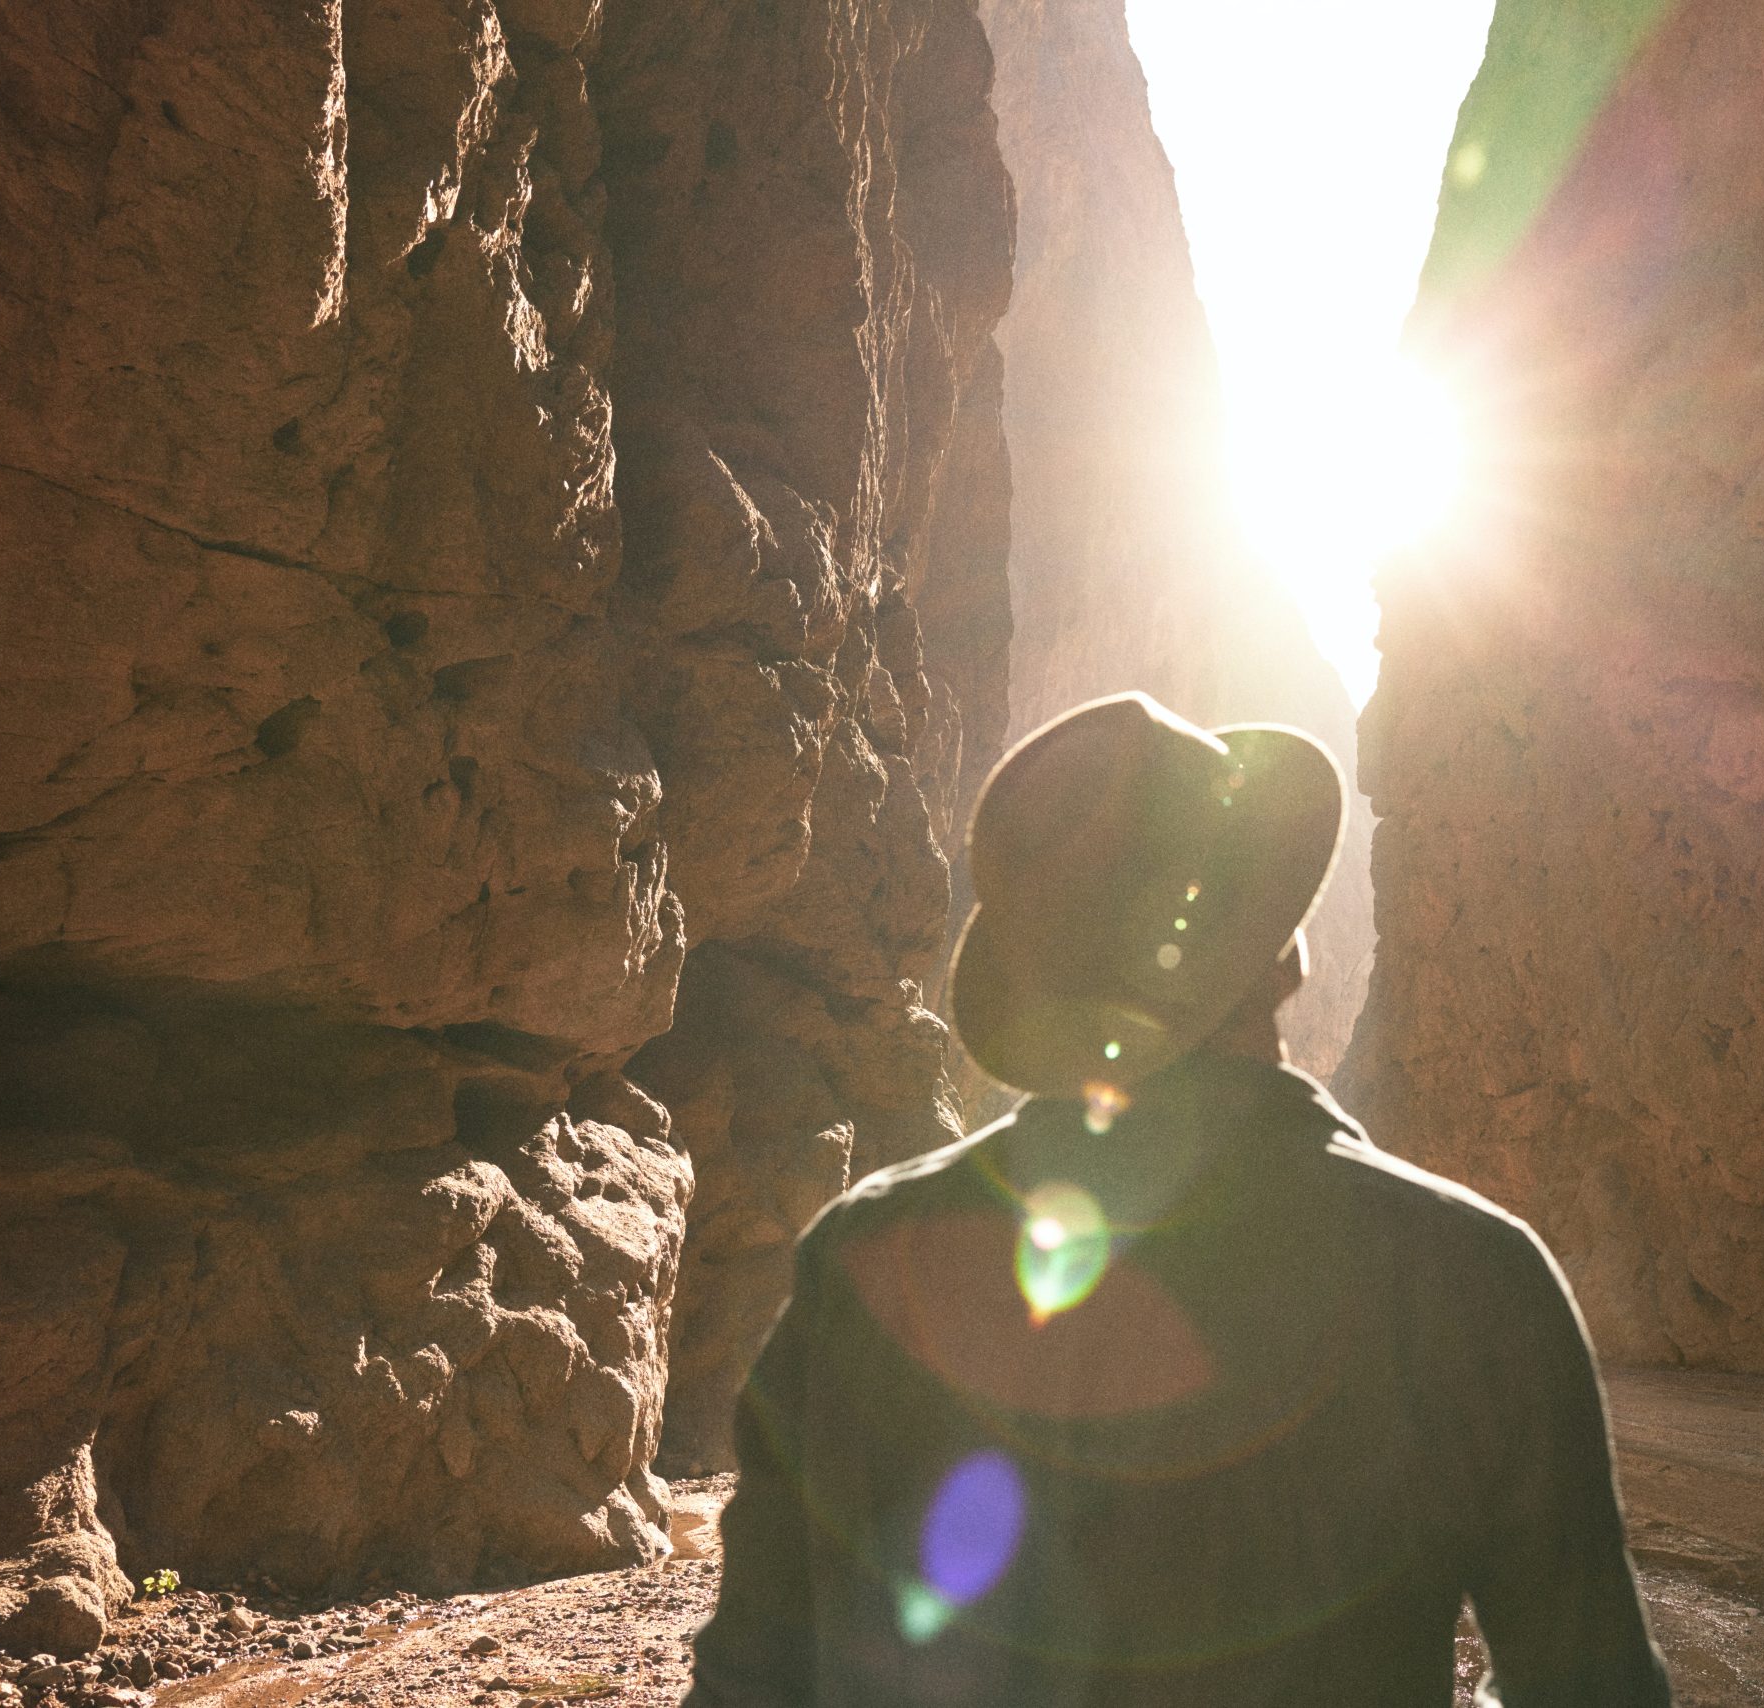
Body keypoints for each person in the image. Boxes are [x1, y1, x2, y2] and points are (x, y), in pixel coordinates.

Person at [684, 692, 1672, 1707]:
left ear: (1040, 1001)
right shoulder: (1472, 1276)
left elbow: (748, 1681)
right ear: (1282, 954)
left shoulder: (863, 1257)